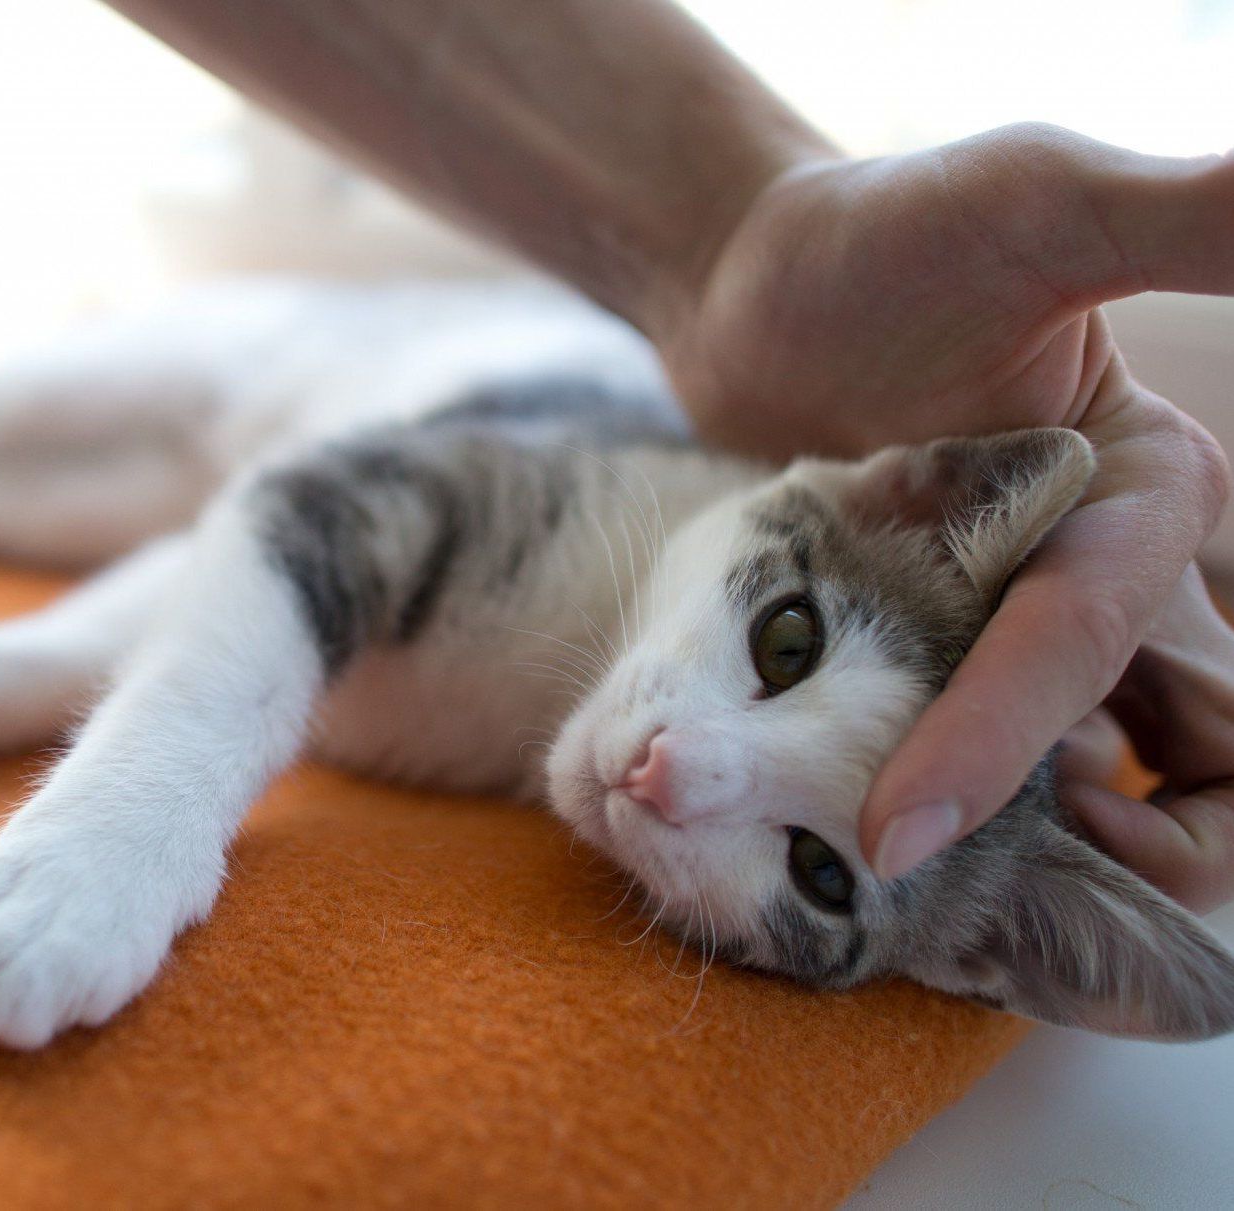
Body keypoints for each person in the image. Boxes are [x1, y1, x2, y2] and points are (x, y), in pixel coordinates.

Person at [102, 0, 1234, 910]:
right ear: (895, 496)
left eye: (819, 870)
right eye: (788, 643)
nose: (670, 776)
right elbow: (297, 532)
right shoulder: (613, 523)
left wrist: (731, 234)